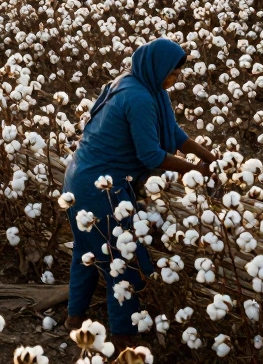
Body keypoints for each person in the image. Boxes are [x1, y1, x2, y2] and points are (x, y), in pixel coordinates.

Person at [63, 39, 216, 345]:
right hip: (99, 188)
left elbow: (173, 133)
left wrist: (207, 156)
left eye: (177, 74)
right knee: (125, 266)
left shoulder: (136, 84)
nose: (176, 80)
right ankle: (123, 341)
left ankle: (74, 319)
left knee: (87, 253)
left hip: (77, 177)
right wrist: (195, 171)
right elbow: (152, 156)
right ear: (157, 68)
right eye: (172, 73)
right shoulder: (141, 98)